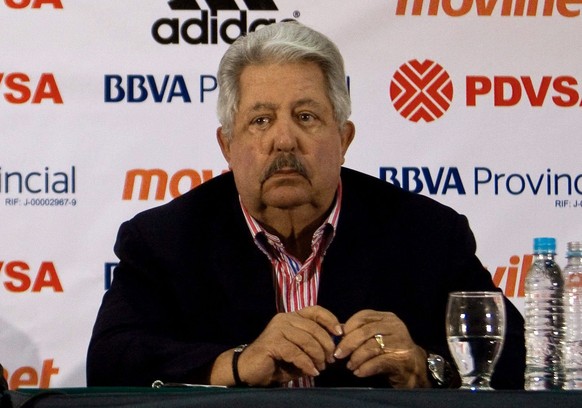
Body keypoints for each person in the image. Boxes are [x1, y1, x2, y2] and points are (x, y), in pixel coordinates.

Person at [87, 21, 525, 389]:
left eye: (306, 117)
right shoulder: (165, 239)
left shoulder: (426, 233)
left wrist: (425, 367)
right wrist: (238, 364)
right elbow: (109, 364)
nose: (284, 140)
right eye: (260, 120)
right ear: (227, 146)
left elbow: (517, 356)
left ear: (344, 139)